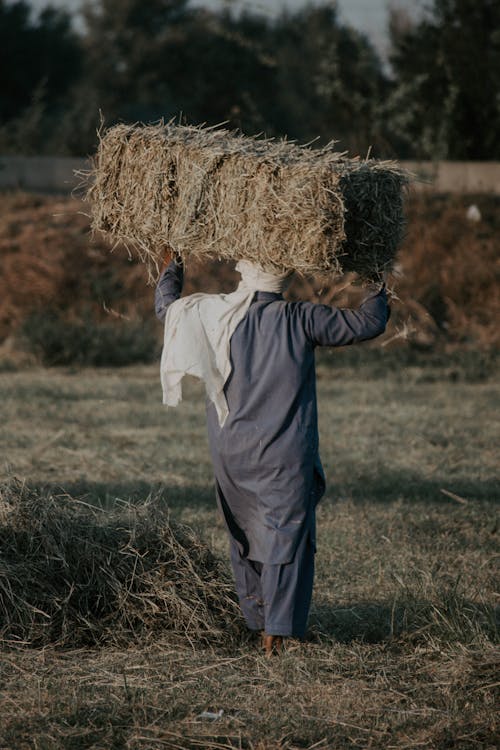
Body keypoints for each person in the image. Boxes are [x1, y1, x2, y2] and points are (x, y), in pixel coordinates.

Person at [155, 254, 389, 655]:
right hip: (284, 451)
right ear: (282, 277)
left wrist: (171, 264)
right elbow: (368, 323)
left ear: (243, 271)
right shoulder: (298, 317)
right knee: (288, 535)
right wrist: (377, 277)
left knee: (244, 531)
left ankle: (259, 619)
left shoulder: (212, 313)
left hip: (230, 450)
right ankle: (278, 631)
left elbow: (167, 308)